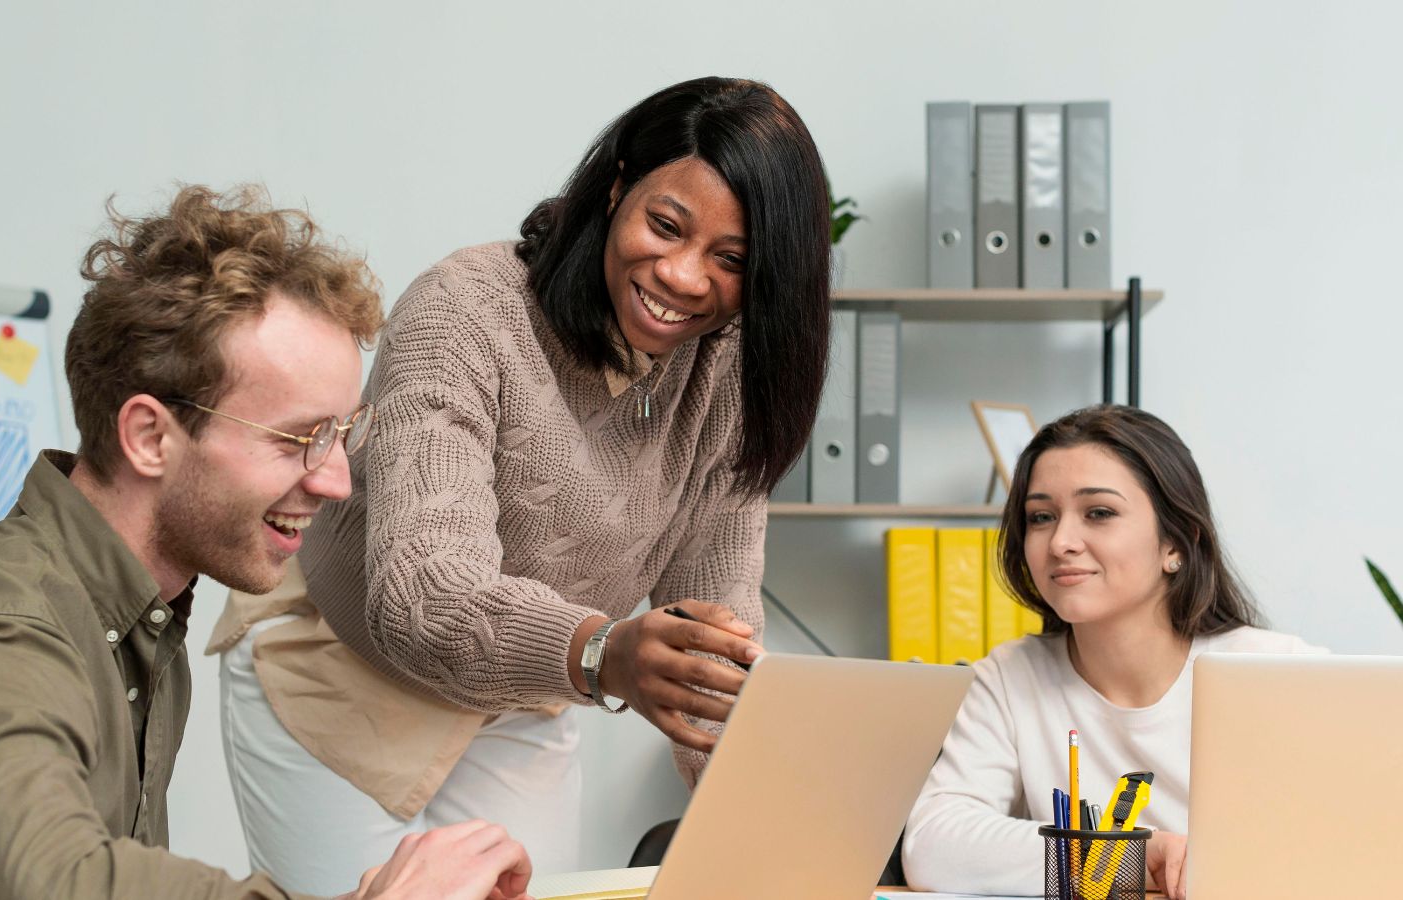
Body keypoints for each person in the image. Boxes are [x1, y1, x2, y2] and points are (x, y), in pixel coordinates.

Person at [0, 185, 533, 900]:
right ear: (150, 437)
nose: (337, 480)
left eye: (342, 435)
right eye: (302, 439)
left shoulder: (140, 622)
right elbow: (63, 884)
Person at [208, 75, 834, 891]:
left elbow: (717, 613)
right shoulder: (467, 311)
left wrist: (726, 760)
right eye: (665, 225)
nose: (683, 276)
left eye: (731, 260)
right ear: (616, 191)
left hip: (525, 695)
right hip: (341, 676)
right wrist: (607, 653)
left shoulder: (729, 377)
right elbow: (422, 593)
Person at [900, 404, 1322, 900]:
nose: (1060, 541)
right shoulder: (1010, 677)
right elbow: (933, 845)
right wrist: (1131, 858)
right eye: (1041, 517)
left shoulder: (1279, 670)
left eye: (1098, 512)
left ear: (1177, 544)